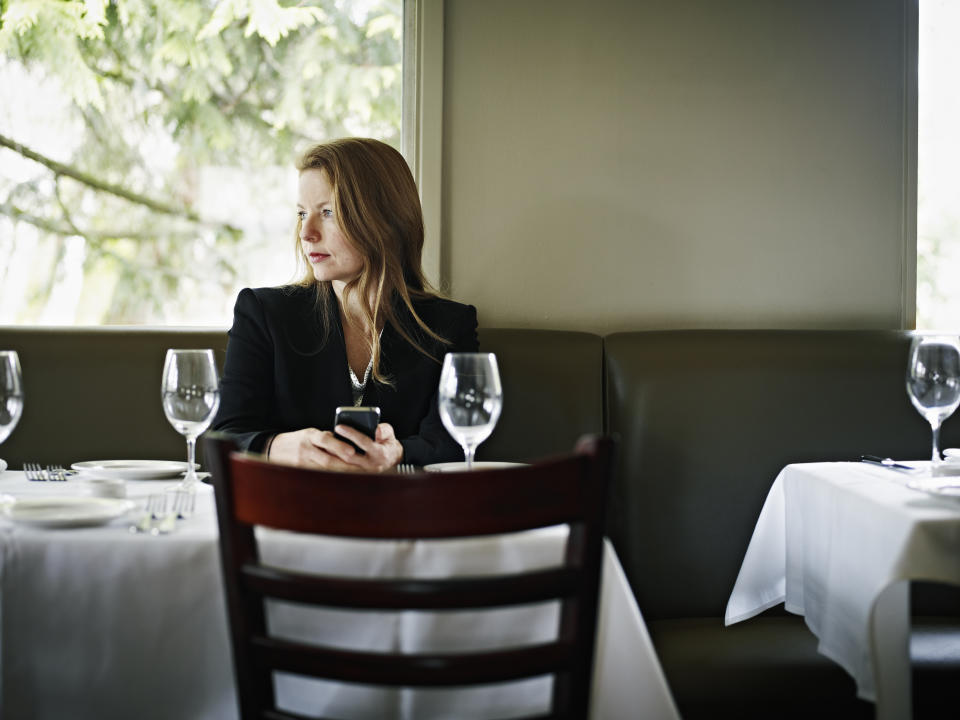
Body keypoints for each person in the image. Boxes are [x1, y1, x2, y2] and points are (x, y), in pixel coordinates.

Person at [212, 138, 478, 470]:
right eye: (301, 214)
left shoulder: (449, 326)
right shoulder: (263, 313)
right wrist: (277, 447)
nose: (306, 233)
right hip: (288, 514)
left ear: (382, 219)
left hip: (404, 515)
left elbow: (455, 442)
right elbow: (222, 437)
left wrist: (397, 454)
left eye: (327, 212)